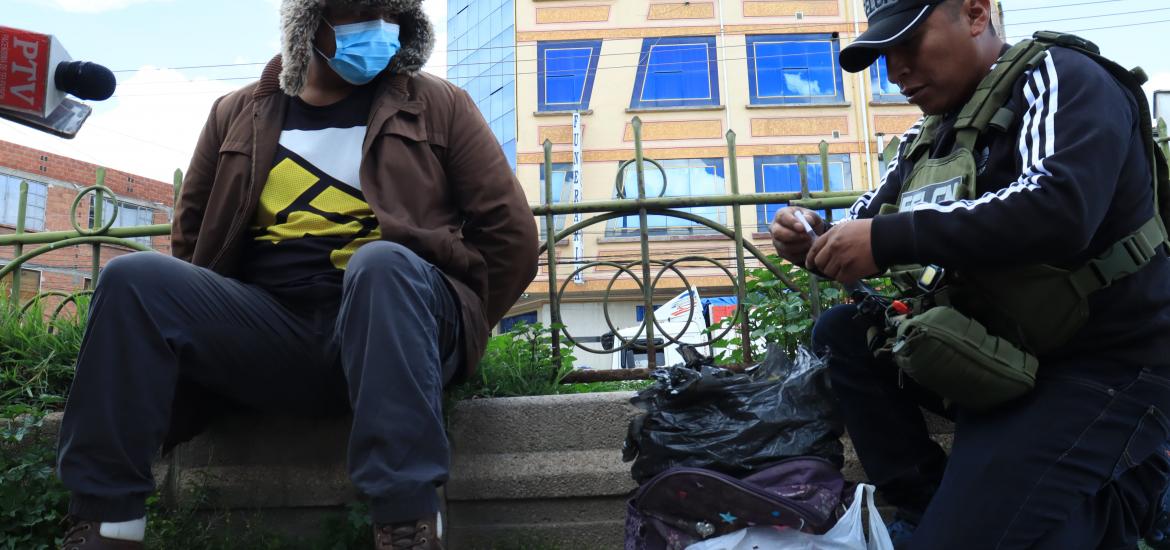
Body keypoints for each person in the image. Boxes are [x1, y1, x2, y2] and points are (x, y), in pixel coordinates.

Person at [54, 0, 537, 548]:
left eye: (390, 16)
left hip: (397, 319)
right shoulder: (235, 113)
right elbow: (192, 240)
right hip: (273, 326)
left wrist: (458, 328)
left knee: (380, 265)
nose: (378, 30)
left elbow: (511, 238)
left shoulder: (438, 104)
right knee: (133, 279)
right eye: (358, 14)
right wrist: (211, 328)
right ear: (310, 26)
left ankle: (406, 522)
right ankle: (105, 523)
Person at [771, 0, 1170, 548]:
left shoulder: (1062, 76)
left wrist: (887, 239)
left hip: (1106, 365)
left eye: (909, 44)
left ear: (977, 13)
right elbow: (866, 222)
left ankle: (1133, 496)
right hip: (1006, 353)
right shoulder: (927, 137)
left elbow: (1060, 207)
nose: (896, 71)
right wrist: (815, 238)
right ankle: (931, 503)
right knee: (843, 333)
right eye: (885, 55)